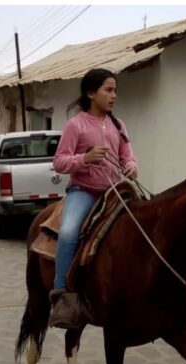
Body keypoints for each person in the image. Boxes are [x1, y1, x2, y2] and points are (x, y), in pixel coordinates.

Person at [49, 68, 139, 329]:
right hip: (84, 191)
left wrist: (132, 166)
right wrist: (84, 159)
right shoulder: (75, 125)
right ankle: (62, 297)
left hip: (115, 191)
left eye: (115, 90)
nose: (114, 96)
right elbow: (59, 162)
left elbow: (128, 155)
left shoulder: (118, 125)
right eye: (108, 90)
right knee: (67, 232)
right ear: (91, 93)